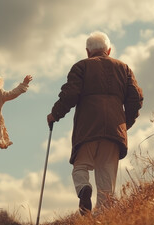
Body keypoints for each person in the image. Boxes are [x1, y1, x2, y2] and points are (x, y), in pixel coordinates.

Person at [47, 31, 143, 215]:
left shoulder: (81, 66)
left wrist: (54, 114)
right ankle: (102, 221)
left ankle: (83, 187)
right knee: (106, 177)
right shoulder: (124, 68)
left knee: (80, 166)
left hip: (87, 128)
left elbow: (70, 94)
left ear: (87, 51)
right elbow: (136, 98)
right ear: (108, 50)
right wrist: (124, 124)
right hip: (115, 130)